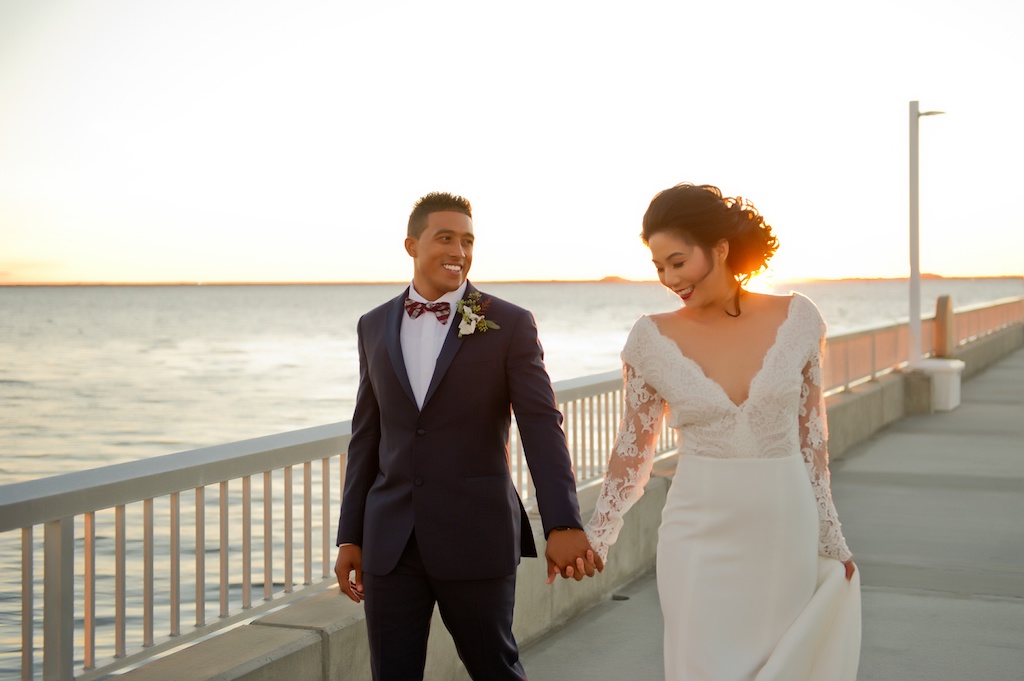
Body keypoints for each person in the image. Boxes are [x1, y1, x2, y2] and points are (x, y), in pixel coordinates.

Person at [584, 183, 861, 680]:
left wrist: (831, 536)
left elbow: (811, 441)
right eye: (659, 268)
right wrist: (598, 535)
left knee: (777, 664)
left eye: (678, 261)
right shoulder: (650, 337)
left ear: (719, 248)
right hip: (696, 531)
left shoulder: (799, 319)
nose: (670, 279)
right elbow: (634, 448)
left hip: (782, 528)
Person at [334, 191, 602, 681]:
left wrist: (562, 523)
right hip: (390, 542)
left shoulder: (510, 324)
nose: (459, 250)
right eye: (445, 238)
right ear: (412, 245)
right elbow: (366, 436)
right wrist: (350, 536)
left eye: (468, 240)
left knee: (495, 669)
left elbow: (541, 426)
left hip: (475, 535)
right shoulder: (372, 325)